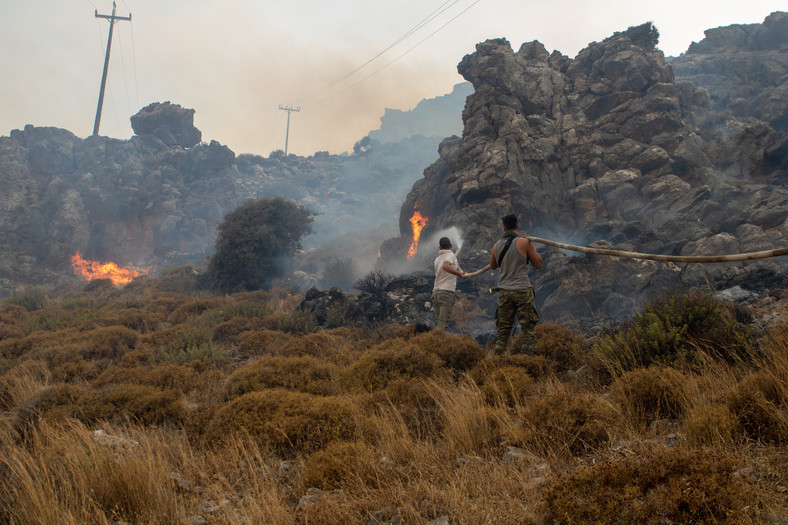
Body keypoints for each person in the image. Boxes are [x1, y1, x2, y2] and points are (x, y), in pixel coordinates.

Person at [489, 214, 543, 354]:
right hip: (522, 291)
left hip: (505, 293)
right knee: (528, 330)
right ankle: (527, 361)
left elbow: (493, 266)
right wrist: (530, 245)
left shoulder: (496, 246)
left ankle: (498, 360)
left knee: (503, 332)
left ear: (504, 227)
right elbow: (538, 264)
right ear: (517, 227)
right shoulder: (524, 242)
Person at [432, 236, 466, 330]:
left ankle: (432, 342)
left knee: (438, 323)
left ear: (440, 248)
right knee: (441, 326)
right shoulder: (450, 255)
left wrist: (455, 261)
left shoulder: (437, 259)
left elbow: (445, 268)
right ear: (451, 246)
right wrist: (460, 274)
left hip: (436, 294)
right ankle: (436, 343)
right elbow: (446, 266)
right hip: (446, 293)